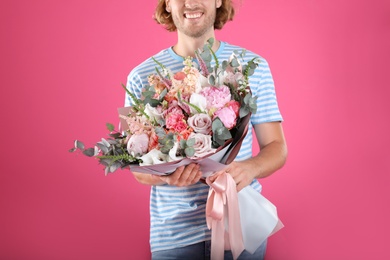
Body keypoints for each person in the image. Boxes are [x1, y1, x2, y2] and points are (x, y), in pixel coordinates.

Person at [125, 0, 287, 259]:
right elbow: (138, 170)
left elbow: (277, 148)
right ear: (167, 3)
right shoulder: (141, 77)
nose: (190, 3)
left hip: (240, 227)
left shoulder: (252, 67)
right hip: (174, 236)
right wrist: (167, 176)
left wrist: (250, 168)